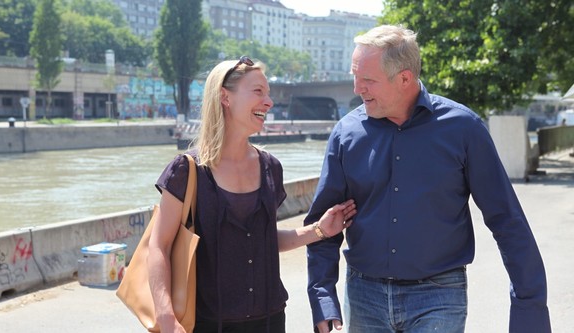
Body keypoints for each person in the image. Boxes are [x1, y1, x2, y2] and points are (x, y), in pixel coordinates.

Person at [305, 25, 551, 333]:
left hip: (439, 295)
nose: (357, 88)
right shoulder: (346, 134)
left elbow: (507, 220)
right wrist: (323, 296)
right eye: (355, 76)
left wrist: (530, 313)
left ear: (404, 78)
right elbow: (324, 223)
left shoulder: (463, 129)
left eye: (367, 79)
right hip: (364, 296)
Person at [148, 56, 357, 333]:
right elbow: (158, 246)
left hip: (269, 321)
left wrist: (319, 230)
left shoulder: (270, 167)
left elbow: (264, 239)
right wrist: (165, 317)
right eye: (258, 91)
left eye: (268, 93)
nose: (269, 102)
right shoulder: (187, 171)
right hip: (206, 324)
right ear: (225, 97)